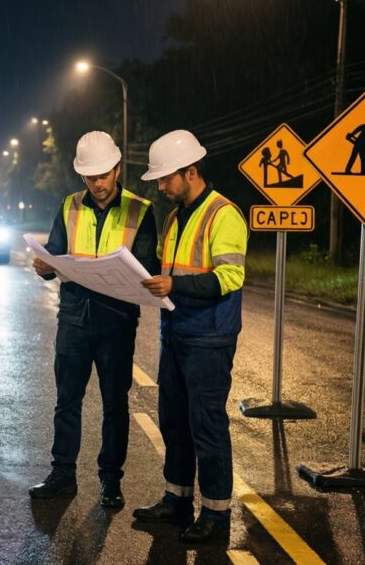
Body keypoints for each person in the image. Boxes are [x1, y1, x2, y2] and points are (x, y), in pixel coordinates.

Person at [28, 131, 159, 511]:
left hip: (117, 321)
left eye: (103, 175)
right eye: (90, 177)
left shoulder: (140, 210)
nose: (97, 183)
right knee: (67, 401)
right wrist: (45, 266)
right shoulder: (69, 206)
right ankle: (62, 475)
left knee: (115, 404)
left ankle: (111, 481)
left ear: (117, 169)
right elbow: (55, 254)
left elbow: (148, 266)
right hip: (74, 317)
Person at [134, 129, 248, 543]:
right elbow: (165, 268)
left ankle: (216, 515)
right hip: (177, 332)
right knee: (174, 421)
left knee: (207, 425)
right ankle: (177, 500)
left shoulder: (224, 214)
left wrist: (174, 286)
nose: (161, 187)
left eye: (166, 178)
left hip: (209, 338)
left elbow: (230, 277)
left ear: (191, 172)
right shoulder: (174, 217)